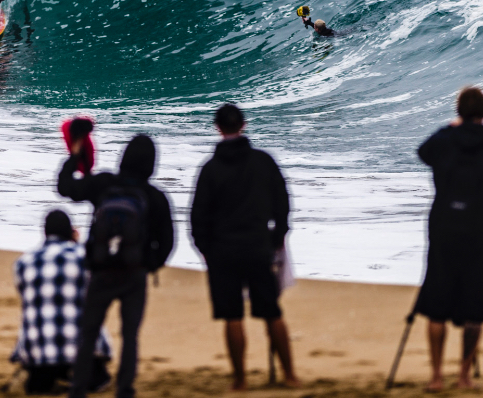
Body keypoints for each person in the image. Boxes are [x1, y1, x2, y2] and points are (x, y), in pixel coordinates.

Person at [415, 87, 483, 391]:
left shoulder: (444, 145)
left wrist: (448, 128)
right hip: (481, 234)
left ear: (459, 114)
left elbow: (423, 152)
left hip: (443, 231)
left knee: (436, 304)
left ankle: (436, 376)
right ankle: (463, 377)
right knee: (475, 308)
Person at [190, 103, 300, 391]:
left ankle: (240, 380)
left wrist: (206, 251)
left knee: (232, 315)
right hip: (257, 245)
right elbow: (282, 202)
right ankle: (289, 375)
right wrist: (277, 238)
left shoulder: (210, 169)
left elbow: (197, 216)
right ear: (244, 125)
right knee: (271, 312)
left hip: (222, 250)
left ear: (217, 128)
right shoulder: (263, 161)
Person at [57, 134, 174, 398]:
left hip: (101, 270)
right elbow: (167, 243)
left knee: (89, 332)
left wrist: (75, 156)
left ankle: (78, 389)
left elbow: (66, 188)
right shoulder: (154, 196)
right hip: (134, 274)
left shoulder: (103, 184)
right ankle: (125, 389)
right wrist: (148, 265)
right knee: (130, 334)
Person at [12, 210, 112, 395]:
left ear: (45, 233)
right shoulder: (85, 256)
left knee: (39, 384)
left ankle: (45, 378)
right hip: (83, 352)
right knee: (99, 378)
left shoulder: (23, 262)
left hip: (39, 353)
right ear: (71, 231)